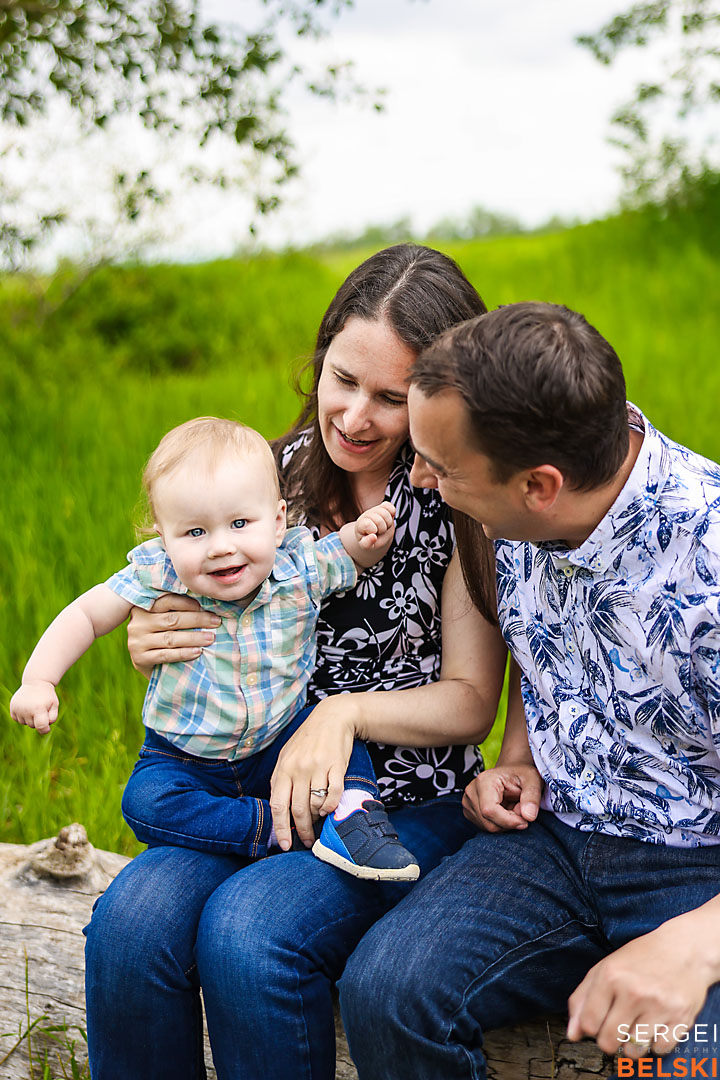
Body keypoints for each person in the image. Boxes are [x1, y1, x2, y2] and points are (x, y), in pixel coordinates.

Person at [82, 244, 509, 1079]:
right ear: (320, 358)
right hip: (244, 779)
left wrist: (340, 713)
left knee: (250, 932)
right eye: (343, 379)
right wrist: (152, 638)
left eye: (392, 398)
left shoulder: (460, 502)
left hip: (397, 802)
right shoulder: (264, 481)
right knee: (132, 921)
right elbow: (181, 597)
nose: (354, 416)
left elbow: (471, 702)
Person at [340, 301, 720, 1080]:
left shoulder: (708, 565)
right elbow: (547, 644)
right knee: (386, 992)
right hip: (551, 844)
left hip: (700, 872)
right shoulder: (510, 510)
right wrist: (519, 757)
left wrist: (693, 943)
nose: (420, 480)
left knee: (670, 1064)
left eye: (441, 468)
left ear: (540, 486)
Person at [10, 415, 421, 880]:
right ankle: (267, 828)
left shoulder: (298, 568)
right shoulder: (156, 576)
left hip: (280, 739)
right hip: (186, 758)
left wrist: (366, 537)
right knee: (145, 801)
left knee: (335, 737)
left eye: (240, 523)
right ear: (163, 539)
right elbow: (85, 614)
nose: (221, 547)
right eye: (195, 533)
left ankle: (354, 816)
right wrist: (39, 679)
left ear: (279, 520)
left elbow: (345, 553)